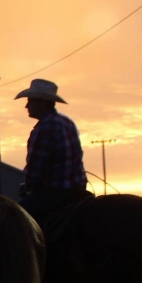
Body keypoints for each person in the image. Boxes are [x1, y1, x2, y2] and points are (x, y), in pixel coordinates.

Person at [13, 79, 89, 226]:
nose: (26, 106)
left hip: (55, 194)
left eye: (30, 101)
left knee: (17, 220)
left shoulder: (44, 128)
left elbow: (35, 171)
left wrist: (27, 186)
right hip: (79, 190)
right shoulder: (67, 122)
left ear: (42, 103)